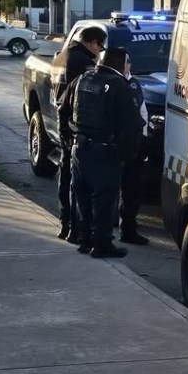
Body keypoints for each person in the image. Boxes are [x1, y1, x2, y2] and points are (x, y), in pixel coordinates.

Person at [64, 46, 142, 257]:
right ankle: (101, 245)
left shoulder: (82, 79)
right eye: (127, 64)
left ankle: (84, 241)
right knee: (104, 201)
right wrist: (125, 155)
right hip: (104, 152)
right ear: (122, 64)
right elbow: (133, 125)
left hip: (79, 149)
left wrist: (68, 139)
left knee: (83, 199)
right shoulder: (119, 86)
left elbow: (64, 109)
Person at [52, 25, 107, 242]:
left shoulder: (61, 56)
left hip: (61, 118)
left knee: (65, 176)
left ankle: (64, 223)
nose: (100, 51)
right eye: (100, 47)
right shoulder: (83, 63)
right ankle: (76, 229)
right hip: (75, 124)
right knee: (78, 182)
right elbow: (84, 96)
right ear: (92, 43)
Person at [118, 77, 150, 245]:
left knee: (131, 190)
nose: (128, 66)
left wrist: (142, 140)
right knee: (106, 192)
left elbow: (142, 113)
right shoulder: (112, 83)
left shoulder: (133, 84)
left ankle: (127, 229)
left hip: (132, 146)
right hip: (113, 145)